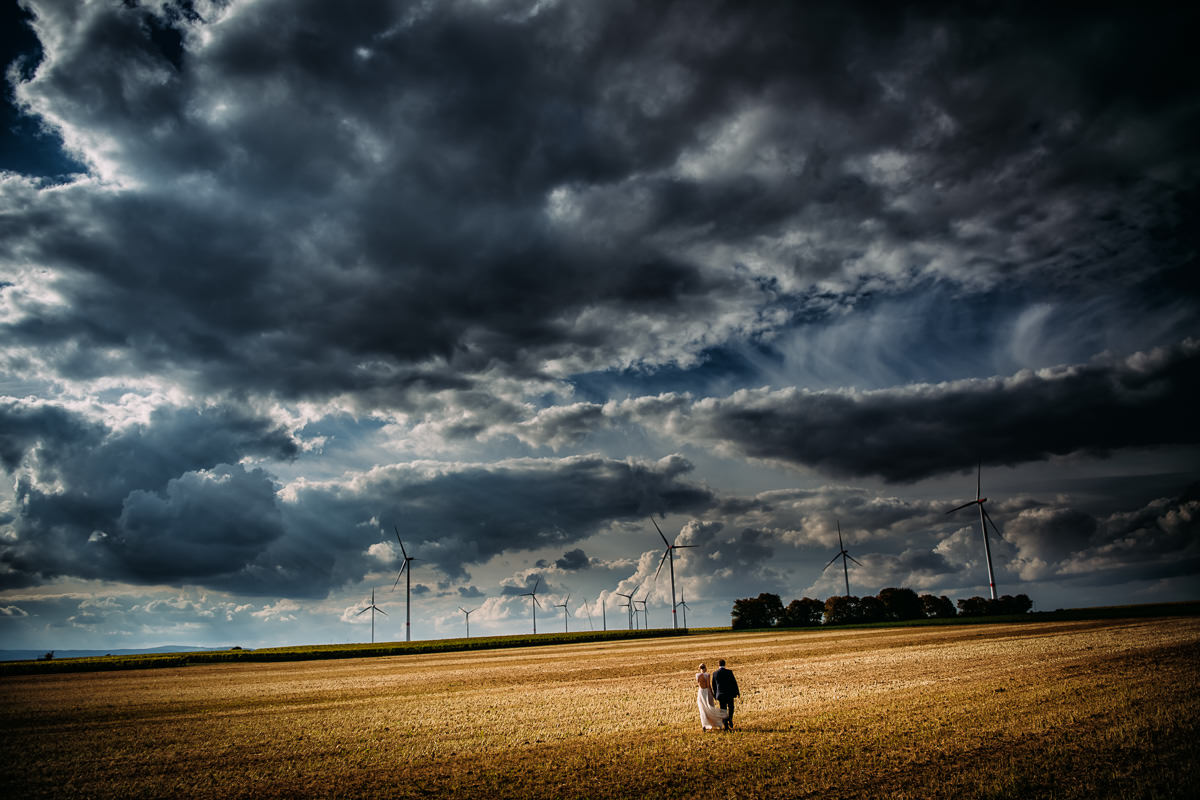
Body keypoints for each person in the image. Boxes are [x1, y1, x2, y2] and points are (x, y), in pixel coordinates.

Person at [695, 663, 728, 731]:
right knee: (710, 707)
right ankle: (716, 723)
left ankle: (704, 725)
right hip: (707, 692)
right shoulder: (707, 675)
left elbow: (699, 684)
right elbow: (708, 686)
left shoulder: (697, 675)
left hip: (700, 692)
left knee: (702, 709)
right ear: (705, 668)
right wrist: (713, 694)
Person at [711, 658, 740, 730]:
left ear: (719, 665)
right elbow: (734, 683)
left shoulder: (715, 673)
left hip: (720, 695)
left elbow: (714, 686)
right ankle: (730, 718)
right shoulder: (729, 672)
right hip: (729, 694)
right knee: (731, 707)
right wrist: (737, 692)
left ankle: (726, 726)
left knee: (723, 710)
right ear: (725, 664)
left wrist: (715, 695)